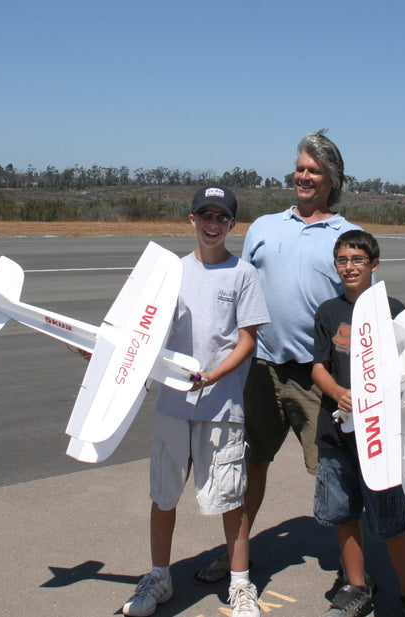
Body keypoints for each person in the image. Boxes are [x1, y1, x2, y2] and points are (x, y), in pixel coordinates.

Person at [195, 129, 364, 585]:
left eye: (315, 170)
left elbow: (358, 309)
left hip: (316, 375)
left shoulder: (346, 236)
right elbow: (234, 290)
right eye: (301, 168)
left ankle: (354, 579)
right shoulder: (265, 228)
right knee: (249, 467)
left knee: (336, 472)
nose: (304, 176)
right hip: (260, 370)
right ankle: (235, 559)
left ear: (332, 180)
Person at [122, 185, 270, 617]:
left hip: (222, 407)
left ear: (231, 225)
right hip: (173, 406)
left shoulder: (243, 274)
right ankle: (158, 577)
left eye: (221, 217)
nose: (212, 224)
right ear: (191, 220)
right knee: (164, 495)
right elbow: (146, 333)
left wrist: (215, 376)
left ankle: (240, 585)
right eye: (204, 215)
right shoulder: (172, 273)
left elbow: (248, 340)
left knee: (231, 497)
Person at [311, 230, 405, 617]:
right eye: (342, 260)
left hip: (381, 439)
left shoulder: (395, 311)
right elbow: (317, 367)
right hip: (337, 435)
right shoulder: (328, 312)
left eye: (358, 260)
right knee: (344, 515)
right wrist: (337, 392)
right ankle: (357, 585)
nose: (349, 267)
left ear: (374, 265)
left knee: (392, 520)